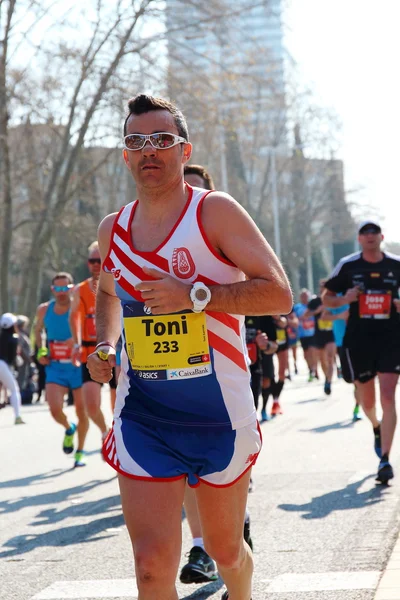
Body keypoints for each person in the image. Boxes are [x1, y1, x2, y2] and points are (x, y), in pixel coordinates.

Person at [87, 94, 292, 600]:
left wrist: (197, 296)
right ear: (125, 155)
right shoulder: (113, 228)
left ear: (184, 150)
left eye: (161, 140)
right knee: (151, 566)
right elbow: (109, 294)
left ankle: (241, 591)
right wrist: (105, 345)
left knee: (224, 553)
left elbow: (279, 293)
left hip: (218, 413)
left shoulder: (215, 212)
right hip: (144, 414)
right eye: (136, 142)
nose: (148, 151)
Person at [322, 220, 400, 484]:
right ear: (359, 239)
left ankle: (385, 460)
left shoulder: (395, 265)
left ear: (381, 236)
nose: (369, 236)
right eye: (364, 233)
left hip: (391, 337)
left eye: (373, 232)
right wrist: (345, 299)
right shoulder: (349, 265)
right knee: (367, 401)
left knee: (388, 395)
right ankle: (376, 426)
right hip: (359, 340)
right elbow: (326, 297)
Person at [35, 273, 89, 467]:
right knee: (54, 408)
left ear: (71, 287)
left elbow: (91, 330)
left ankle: (80, 452)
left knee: (82, 410)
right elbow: (38, 330)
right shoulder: (44, 309)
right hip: (55, 366)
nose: (61, 292)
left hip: (78, 365)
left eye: (65, 288)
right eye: (57, 289)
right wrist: (41, 349)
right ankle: (69, 428)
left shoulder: (79, 307)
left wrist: (76, 342)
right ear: (52, 290)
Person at [70, 242, 109, 446]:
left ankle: (120, 442)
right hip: (89, 351)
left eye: (100, 261)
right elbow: (74, 318)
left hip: (114, 351)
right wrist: (76, 343)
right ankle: (105, 432)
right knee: (91, 405)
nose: (96, 265)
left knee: (118, 406)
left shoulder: (117, 285)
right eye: (92, 261)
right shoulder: (80, 290)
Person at [307, 281, 336, 396]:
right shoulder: (315, 302)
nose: (323, 289)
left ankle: (328, 382)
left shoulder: (333, 300)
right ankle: (326, 379)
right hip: (319, 334)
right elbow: (305, 315)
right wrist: (317, 311)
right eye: (322, 287)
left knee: (330, 358)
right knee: (323, 361)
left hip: (330, 334)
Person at [0, 313, 25, 424]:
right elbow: (12, 358)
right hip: (3, 365)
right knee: (14, 390)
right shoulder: (14, 339)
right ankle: (17, 416)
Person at [293, 289, 317, 381]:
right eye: (303, 296)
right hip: (303, 334)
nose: (304, 298)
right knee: (306, 355)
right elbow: (295, 318)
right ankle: (310, 369)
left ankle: (314, 370)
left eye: (306, 296)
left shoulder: (313, 305)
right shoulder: (297, 307)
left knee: (313, 352)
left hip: (313, 333)